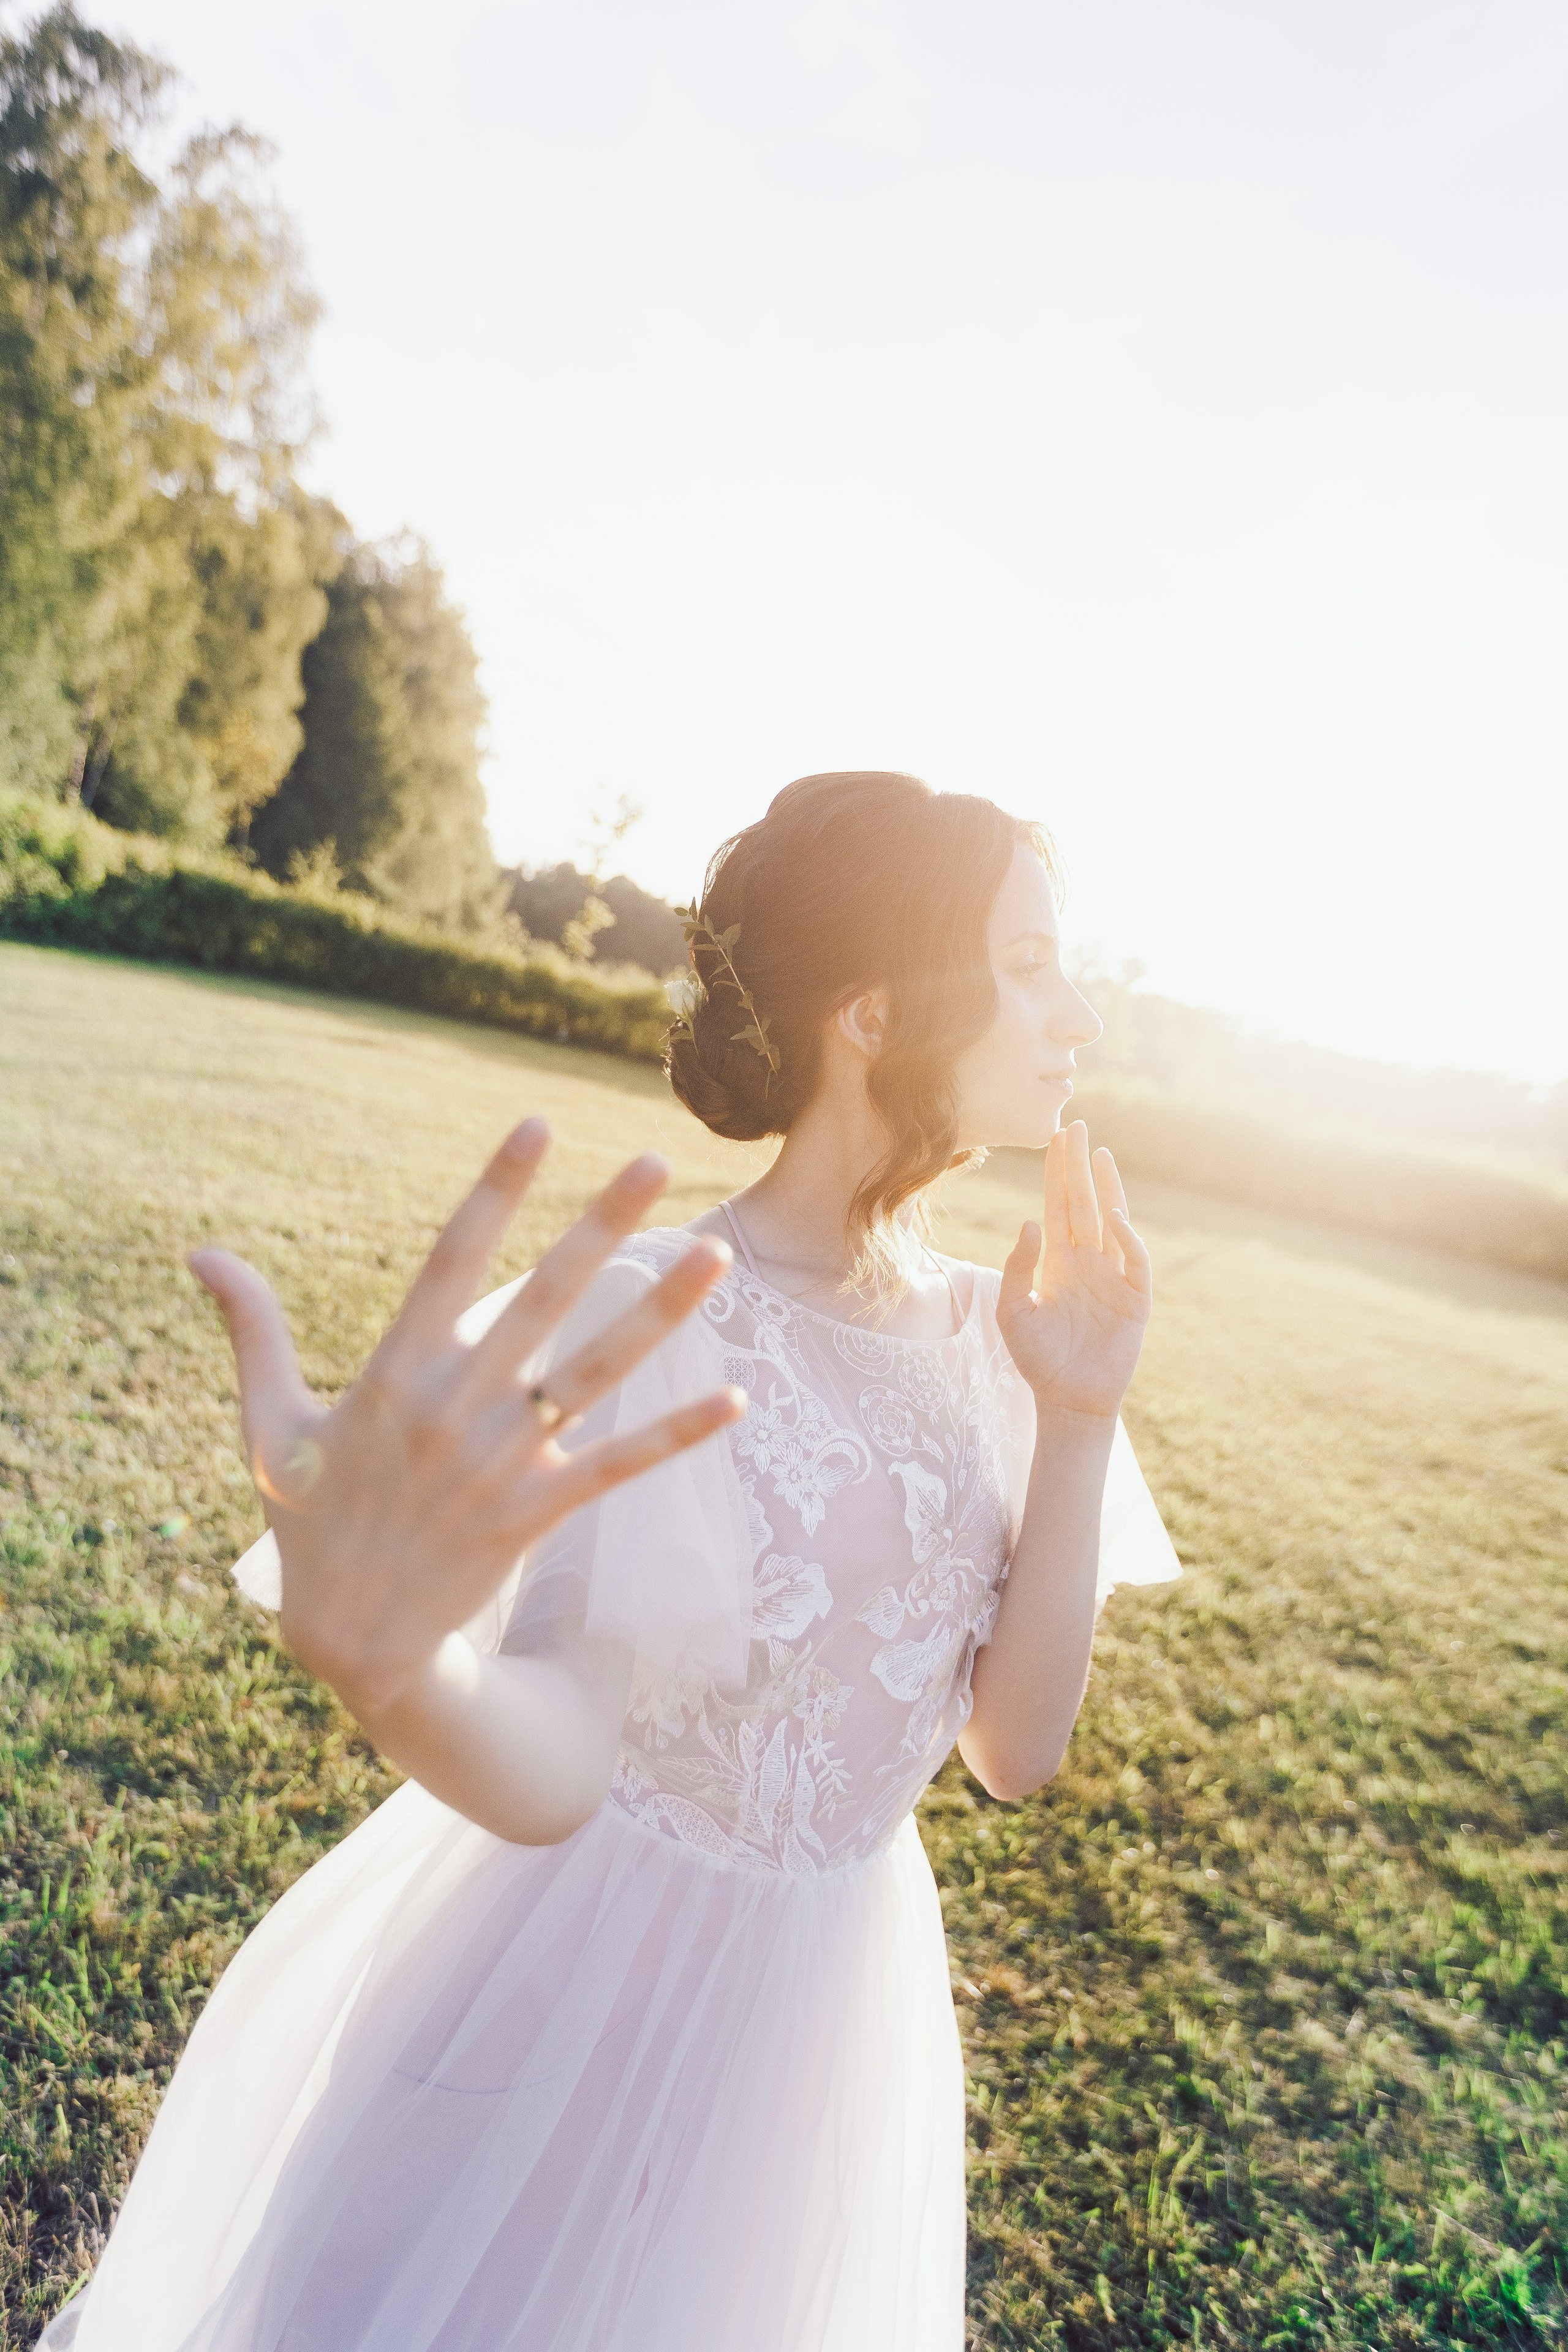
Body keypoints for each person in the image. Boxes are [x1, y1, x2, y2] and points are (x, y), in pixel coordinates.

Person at [43, 771, 1180, 2352]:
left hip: (818, 2036)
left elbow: (1015, 1746)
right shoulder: (659, 1312)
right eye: (1031, 963)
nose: (1080, 1022)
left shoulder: (1013, 1332)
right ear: (871, 1010)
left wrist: (1080, 1409)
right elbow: (559, 1743)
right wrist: (395, 1667)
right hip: (562, 1996)